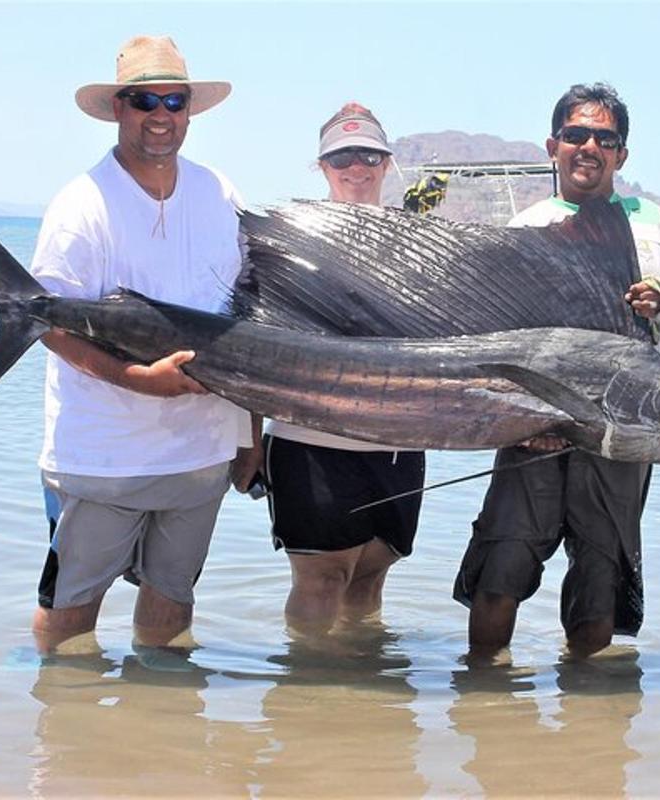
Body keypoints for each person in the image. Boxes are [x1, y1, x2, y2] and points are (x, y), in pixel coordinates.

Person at [453, 82, 660, 659]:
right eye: (576, 135)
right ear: (554, 146)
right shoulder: (528, 225)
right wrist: (518, 417)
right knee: (503, 567)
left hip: (621, 434)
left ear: (622, 154)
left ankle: (588, 724)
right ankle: (481, 695)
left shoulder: (653, 222)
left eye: (605, 138)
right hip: (534, 428)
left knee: (600, 579)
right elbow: (498, 329)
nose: (589, 146)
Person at [28, 35, 252, 652]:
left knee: (172, 606)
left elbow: (249, 319)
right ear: (119, 109)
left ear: (188, 111)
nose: (161, 115)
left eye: (174, 101)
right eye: (144, 100)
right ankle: (64, 734)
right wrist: (135, 381)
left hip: (199, 455)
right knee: (71, 608)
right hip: (103, 459)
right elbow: (47, 323)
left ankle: (158, 739)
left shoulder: (221, 193)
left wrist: (249, 436)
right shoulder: (81, 204)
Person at [232, 103, 426, 635]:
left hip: (398, 449)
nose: (356, 167)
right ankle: (309, 697)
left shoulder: (420, 246)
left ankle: (361, 700)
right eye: (342, 156)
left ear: (386, 163)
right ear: (322, 167)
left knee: (370, 578)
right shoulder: (290, 240)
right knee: (320, 579)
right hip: (308, 443)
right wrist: (248, 440)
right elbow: (251, 347)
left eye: (368, 154)